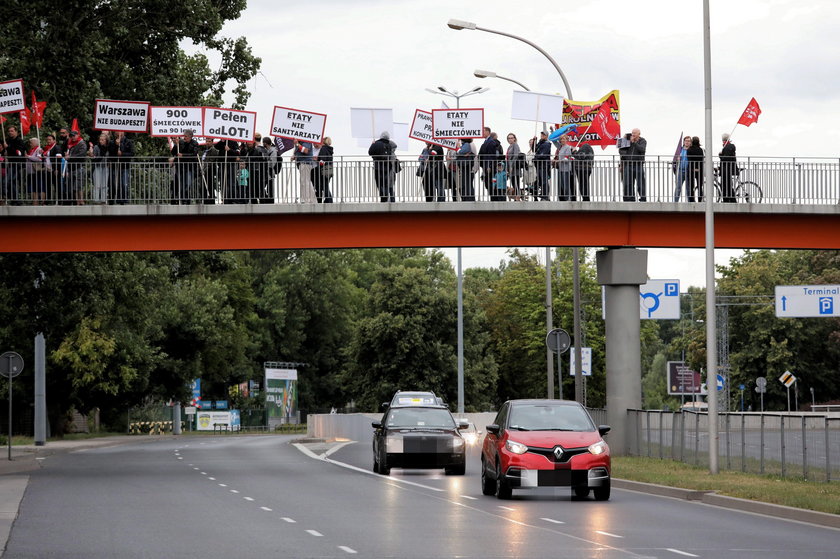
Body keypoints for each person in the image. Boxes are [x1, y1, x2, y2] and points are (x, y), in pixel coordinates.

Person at [618, 128, 647, 201]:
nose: (633, 134)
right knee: (628, 183)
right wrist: (624, 140)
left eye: (635, 133)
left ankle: (643, 198)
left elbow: (642, 149)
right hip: (628, 164)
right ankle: (630, 198)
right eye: (632, 133)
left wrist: (634, 143)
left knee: (640, 183)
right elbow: (620, 150)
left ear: (639, 134)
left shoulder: (643, 141)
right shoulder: (628, 141)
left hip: (638, 165)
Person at [368, 131, 397, 203]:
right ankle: (386, 197)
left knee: (379, 183)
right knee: (386, 184)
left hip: (378, 167)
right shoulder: (389, 145)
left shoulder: (376, 144)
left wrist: (372, 144)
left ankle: (383, 198)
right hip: (387, 168)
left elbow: (370, 152)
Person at [172, 129, 200, 203]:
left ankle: (187, 200)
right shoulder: (181, 142)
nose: (184, 138)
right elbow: (173, 152)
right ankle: (183, 200)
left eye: (186, 136)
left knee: (187, 184)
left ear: (190, 136)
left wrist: (183, 155)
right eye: (184, 136)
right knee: (181, 185)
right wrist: (176, 144)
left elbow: (194, 155)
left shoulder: (195, 143)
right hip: (181, 168)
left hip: (190, 168)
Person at [479, 127, 503, 200]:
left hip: (489, 167)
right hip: (486, 166)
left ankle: (494, 199)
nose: (482, 133)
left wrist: (489, 166)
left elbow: (491, 156)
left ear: (488, 132)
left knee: (490, 183)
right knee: (488, 184)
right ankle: (493, 198)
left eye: (483, 131)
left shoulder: (491, 141)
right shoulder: (487, 141)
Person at [65, 129, 88, 205]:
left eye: (74, 135)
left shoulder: (82, 143)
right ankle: (77, 201)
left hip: (80, 167)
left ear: (78, 135)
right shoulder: (70, 144)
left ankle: (81, 201)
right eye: (71, 136)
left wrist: (70, 157)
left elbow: (82, 155)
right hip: (72, 168)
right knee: (74, 187)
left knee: (79, 185)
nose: (73, 137)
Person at [5, 126, 26, 204]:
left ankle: (17, 199)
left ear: (16, 132)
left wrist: (9, 148)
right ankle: (14, 199)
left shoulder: (19, 141)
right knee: (11, 182)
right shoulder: (8, 140)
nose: (10, 132)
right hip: (10, 164)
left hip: (17, 165)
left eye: (12, 131)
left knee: (11, 181)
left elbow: (19, 153)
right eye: (9, 131)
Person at [111, 131, 133, 204]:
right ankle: (118, 199)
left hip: (125, 166)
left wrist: (122, 154)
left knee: (124, 183)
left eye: (120, 131)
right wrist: (116, 145)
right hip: (116, 166)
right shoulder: (113, 142)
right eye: (117, 131)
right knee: (116, 184)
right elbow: (112, 153)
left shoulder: (128, 142)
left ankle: (124, 199)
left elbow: (131, 153)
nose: (119, 133)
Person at [90, 132, 110, 204]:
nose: (101, 141)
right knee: (97, 184)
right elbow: (94, 158)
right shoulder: (96, 147)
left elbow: (110, 157)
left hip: (105, 167)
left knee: (104, 184)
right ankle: (96, 200)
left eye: (103, 140)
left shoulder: (108, 147)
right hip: (97, 167)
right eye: (100, 140)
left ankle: (103, 200)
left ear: (106, 140)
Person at [25, 137, 46, 205]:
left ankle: (42, 202)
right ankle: (35, 202)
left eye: (31, 143)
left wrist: (29, 157)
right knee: (33, 188)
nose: (30, 144)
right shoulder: (32, 150)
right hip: (31, 172)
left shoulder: (38, 149)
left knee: (40, 187)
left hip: (37, 171)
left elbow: (39, 159)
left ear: (34, 143)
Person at [553, 134, 573, 201]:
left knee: (566, 185)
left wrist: (558, 161)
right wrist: (553, 132)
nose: (562, 140)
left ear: (566, 140)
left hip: (566, 169)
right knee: (561, 185)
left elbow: (567, 158)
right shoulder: (560, 147)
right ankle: (563, 199)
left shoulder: (567, 147)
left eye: (564, 139)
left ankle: (567, 199)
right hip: (561, 169)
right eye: (561, 139)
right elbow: (554, 141)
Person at [314, 137, 334, 203]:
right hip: (329, 170)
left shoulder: (323, 149)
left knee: (324, 186)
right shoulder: (329, 149)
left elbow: (322, 161)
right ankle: (328, 200)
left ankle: (329, 200)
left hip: (324, 170)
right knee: (326, 185)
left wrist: (317, 160)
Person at [41, 133, 60, 204]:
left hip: (54, 169)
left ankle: (58, 201)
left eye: (50, 139)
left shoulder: (56, 147)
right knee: (47, 186)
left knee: (56, 186)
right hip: (47, 169)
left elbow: (58, 159)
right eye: (47, 140)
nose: (48, 141)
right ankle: (48, 201)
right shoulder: (46, 148)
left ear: (54, 140)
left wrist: (57, 169)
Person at [719, 133, 737, 203]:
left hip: (726, 169)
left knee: (726, 185)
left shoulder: (727, 147)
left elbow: (727, 158)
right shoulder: (729, 146)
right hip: (727, 168)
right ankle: (730, 199)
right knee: (727, 185)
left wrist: (720, 156)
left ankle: (728, 199)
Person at [673, 135, 692, 202]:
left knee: (688, 188)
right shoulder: (680, 150)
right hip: (681, 170)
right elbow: (675, 158)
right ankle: (675, 201)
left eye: (689, 141)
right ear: (684, 142)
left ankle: (689, 202)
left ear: (690, 142)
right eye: (686, 141)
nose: (687, 142)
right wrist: (677, 159)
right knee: (678, 187)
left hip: (688, 171)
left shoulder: (691, 150)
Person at [534, 131, 552, 200]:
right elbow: (535, 150)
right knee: (541, 180)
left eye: (543, 135)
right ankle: (543, 193)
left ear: (546, 136)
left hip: (544, 165)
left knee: (544, 180)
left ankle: (545, 195)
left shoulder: (547, 144)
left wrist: (536, 158)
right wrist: (534, 142)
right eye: (541, 135)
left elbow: (543, 154)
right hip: (539, 165)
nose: (542, 136)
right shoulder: (540, 143)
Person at [687, 136, 705, 202]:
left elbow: (689, 160)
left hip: (691, 170)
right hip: (699, 170)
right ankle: (700, 200)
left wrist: (693, 168)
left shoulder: (689, 150)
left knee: (691, 186)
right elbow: (701, 160)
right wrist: (698, 168)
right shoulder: (700, 150)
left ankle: (692, 199)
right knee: (700, 186)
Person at [505, 133, 522, 201]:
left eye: (512, 138)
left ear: (514, 138)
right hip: (510, 168)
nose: (510, 139)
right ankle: (516, 196)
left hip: (515, 168)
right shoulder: (509, 147)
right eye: (509, 138)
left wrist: (511, 165)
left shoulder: (515, 145)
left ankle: (518, 196)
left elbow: (515, 156)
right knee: (513, 183)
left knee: (516, 182)